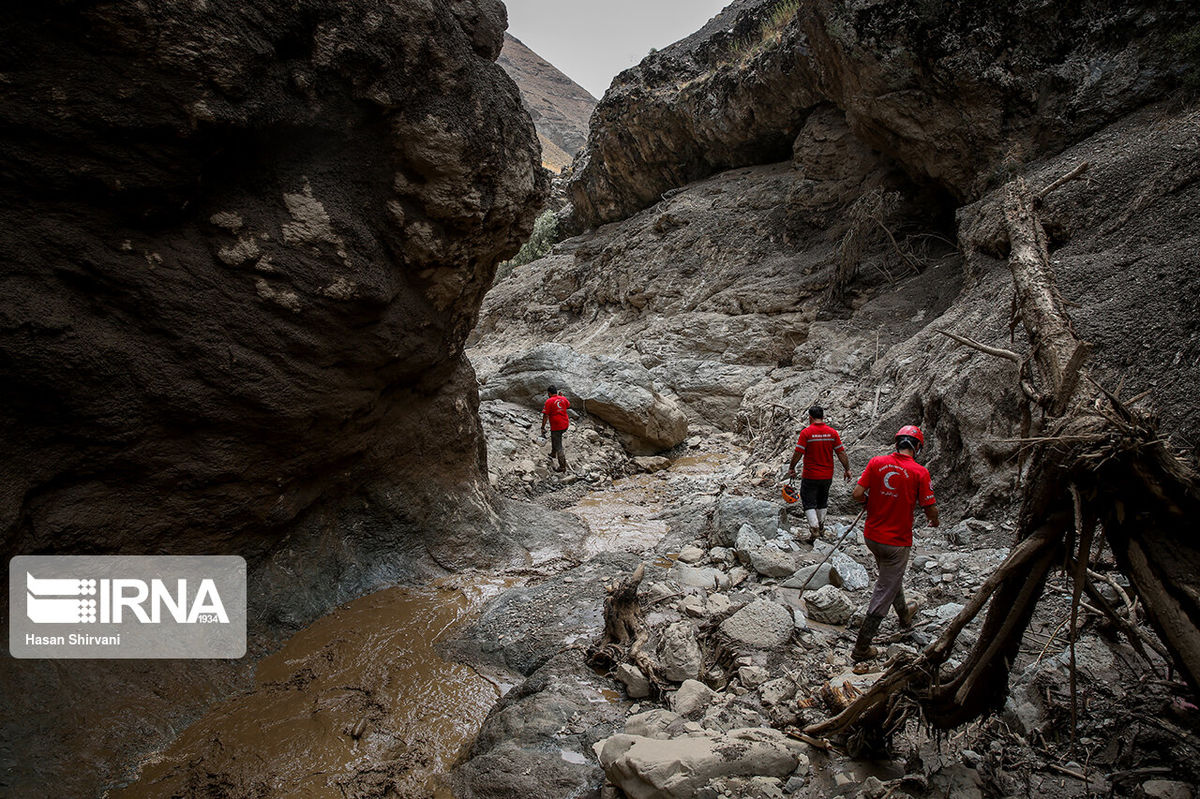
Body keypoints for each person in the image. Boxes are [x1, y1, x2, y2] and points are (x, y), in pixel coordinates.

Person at [849, 425, 939, 662]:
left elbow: (858, 493)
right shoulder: (920, 472)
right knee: (884, 588)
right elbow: (929, 506)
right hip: (896, 541)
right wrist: (934, 521)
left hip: (871, 537)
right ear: (917, 447)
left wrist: (871, 502)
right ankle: (861, 647)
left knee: (890, 577)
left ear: (896, 442)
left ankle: (904, 616)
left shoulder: (876, 462)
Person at [787, 406, 851, 541]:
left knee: (808, 501)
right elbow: (841, 452)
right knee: (822, 500)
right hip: (827, 475)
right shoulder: (832, 433)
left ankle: (814, 528)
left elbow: (798, 452)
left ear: (810, 417)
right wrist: (847, 469)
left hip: (810, 475)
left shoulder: (806, 433)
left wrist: (792, 467)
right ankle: (821, 525)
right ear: (823, 417)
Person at [541, 385, 571, 472]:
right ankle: (553, 453)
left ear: (549, 393)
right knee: (555, 436)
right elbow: (568, 405)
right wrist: (561, 397)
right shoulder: (563, 398)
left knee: (559, 446)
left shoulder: (549, 401)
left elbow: (545, 415)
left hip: (556, 426)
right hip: (565, 424)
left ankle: (562, 466)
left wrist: (542, 427)